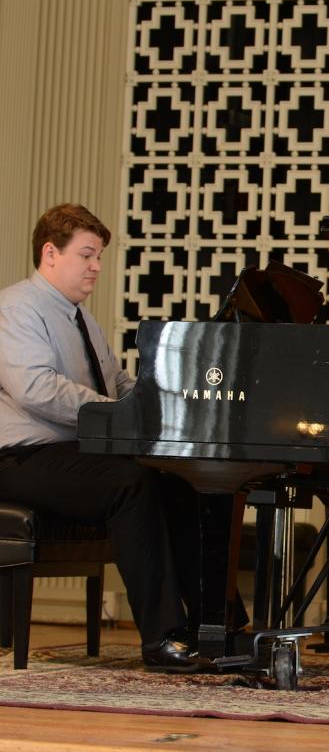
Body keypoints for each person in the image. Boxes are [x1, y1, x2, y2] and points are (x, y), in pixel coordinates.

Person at [0, 204, 206, 672]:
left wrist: (166, 401)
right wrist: (120, 415)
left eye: (99, 257)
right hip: (21, 458)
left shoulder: (82, 320)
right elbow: (35, 389)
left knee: (180, 479)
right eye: (87, 255)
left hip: (69, 452)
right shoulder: (16, 308)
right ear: (50, 253)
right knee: (132, 483)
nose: (96, 266)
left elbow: (116, 383)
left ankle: (215, 626)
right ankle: (162, 638)